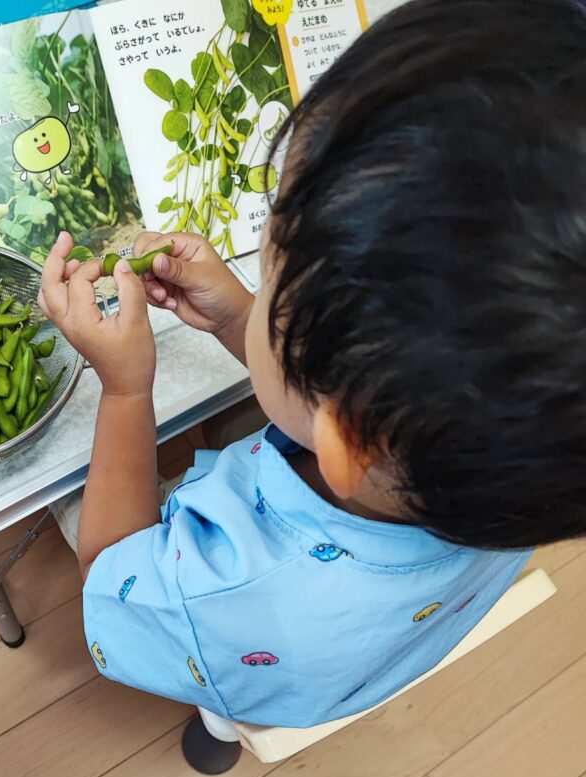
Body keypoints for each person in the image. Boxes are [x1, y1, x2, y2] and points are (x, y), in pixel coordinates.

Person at [39, 0, 586, 728]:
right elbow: (332, 406)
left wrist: (127, 389)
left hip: (250, 657)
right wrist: (241, 315)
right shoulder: (512, 474)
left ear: (347, 437)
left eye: (273, 265)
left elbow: (111, 568)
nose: (259, 271)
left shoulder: (226, 593)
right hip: (388, 631)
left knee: (68, 504)